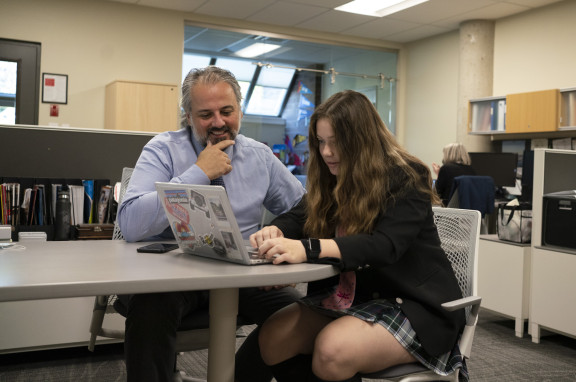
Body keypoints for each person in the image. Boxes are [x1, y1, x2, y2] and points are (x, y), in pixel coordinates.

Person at [249, 90, 468, 382]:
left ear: (361, 140)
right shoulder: (333, 176)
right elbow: (300, 215)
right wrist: (276, 229)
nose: (326, 152)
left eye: (336, 143)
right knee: (273, 337)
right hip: (357, 298)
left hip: (413, 306)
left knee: (332, 350)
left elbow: (384, 246)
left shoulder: (407, 176)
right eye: (321, 142)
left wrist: (308, 248)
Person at [117, 66, 306, 382]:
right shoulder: (163, 149)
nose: (218, 122)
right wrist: (197, 173)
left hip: (241, 276)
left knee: (299, 317)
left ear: (240, 111)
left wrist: (283, 239)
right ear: (188, 116)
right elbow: (132, 223)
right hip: (174, 276)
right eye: (206, 114)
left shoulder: (259, 157)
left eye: (227, 111)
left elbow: (306, 211)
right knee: (149, 309)